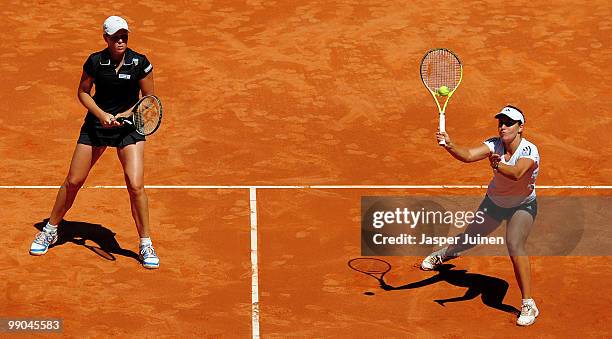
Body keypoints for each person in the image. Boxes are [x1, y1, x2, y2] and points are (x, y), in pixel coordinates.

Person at [29, 16, 159, 269]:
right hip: (96, 126)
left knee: (135, 185)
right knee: (74, 180)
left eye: (124, 36)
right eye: (115, 37)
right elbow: (83, 92)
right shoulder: (95, 62)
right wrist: (102, 115)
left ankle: (145, 243)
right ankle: (51, 229)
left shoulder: (140, 63)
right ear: (106, 39)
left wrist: (124, 116)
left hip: (128, 129)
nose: (121, 41)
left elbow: (149, 99)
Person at [420, 105, 540, 326]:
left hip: (522, 206)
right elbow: (467, 155)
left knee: (514, 244)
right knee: (469, 239)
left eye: (508, 123)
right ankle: (444, 255)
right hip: (494, 203)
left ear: (521, 127)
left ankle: (528, 303)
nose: (503, 127)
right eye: (500, 122)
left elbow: (516, 173)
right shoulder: (494, 144)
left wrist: (498, 164)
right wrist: (449, 144)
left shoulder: (529, 150)